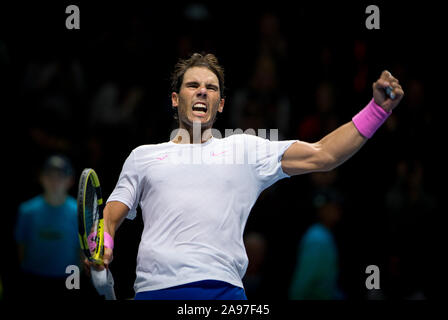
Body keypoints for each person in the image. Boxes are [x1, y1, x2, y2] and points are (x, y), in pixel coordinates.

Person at [84, 53, 404, 300]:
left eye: (211, 88)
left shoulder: (245, 149)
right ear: (174, 98)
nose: (202, 92)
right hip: (156, 290)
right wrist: (104, 245)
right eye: (193, 85)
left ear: (220, 104)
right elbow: (111, 214)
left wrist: (377, 110)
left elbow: (324, 154)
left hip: (223, 292)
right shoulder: (144, 156)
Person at [15, 155, 80, 299]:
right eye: (49, 175)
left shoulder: (79, 213)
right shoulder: (27, 211)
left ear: (70, 180)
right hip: (32, 278)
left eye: (60, 176)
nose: (54, 181)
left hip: (69, 279)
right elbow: (21, 248)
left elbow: (82, 251)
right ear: (41, 178)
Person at [289, 191, 344, 300]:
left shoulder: (325, 233)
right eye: (328, 208)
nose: (335, 211)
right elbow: (305, 278)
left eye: (335, 208)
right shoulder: (317, 237)